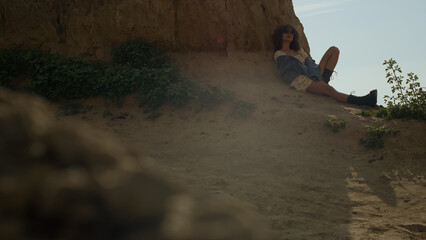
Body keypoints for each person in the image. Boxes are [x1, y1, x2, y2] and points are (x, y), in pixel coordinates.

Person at [272, 24, 377, 107]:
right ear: (280, 35)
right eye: (286, 32)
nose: (289, 34)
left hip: (311, 72)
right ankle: (364, 101)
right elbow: (289, 71)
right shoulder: (280, 54)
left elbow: (309, 62)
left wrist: (314, 71)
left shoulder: (299, 51)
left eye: (292, 32)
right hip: (301, 79)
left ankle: (324, 80)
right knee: (330, 91)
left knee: (334, 50)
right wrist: (310, 72)